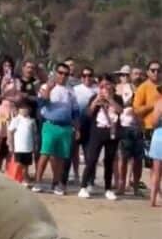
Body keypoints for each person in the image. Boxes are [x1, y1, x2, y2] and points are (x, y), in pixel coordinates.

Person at [32, 63, 80, 195]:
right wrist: (49, 89)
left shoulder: (71, 90)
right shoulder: (46, 86)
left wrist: (77, 129)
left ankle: (56, 183)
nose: (63, 76)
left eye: (66, 74)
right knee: (45, 154)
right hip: (50, 124)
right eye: (60, 72)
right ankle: (38, 182)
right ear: (55, 72)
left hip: (66, 127)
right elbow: (42, 103)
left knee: (60, 157)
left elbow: (75, 112)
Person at [77, 76, 122, 200]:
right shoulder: (95, 97)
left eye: (107, 84)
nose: (104, 88)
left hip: (112, 132)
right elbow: (88, 113)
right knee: (91, 159)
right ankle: (83, 187)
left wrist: (109, 99)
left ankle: (108, 189)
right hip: (97, 131)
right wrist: (96, 101)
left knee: (109, 161)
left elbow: (120, 110)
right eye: (101, 85)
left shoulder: (118, 98)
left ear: (112, 85)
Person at [8, 105, 37, 185]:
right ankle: (18, 179)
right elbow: (10, 132)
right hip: (19, 148)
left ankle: (25, 180)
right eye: (22, 109)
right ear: (19, 110)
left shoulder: (31, 120)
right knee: (19, 164)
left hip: (28, 148)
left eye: (26, 109)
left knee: (26, 165)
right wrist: (11, 145)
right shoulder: (16, 120)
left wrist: (35, 145)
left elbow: (34, 134)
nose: (24, 110)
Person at [146, 95, 162, 207]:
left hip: (159, 137)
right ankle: (153, 199)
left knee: (156, 171)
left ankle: (153, 200)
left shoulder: (159, 103)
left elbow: (154, 122)